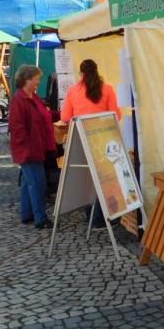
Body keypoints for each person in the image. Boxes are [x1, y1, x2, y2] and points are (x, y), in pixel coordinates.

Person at [60, 59, 121, 228]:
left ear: (81, 73)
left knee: (87, 180)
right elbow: (116, 115)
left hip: (81, 140)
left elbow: (65, 117)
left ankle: (90, 217)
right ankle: (103, 218)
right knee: (104, 179)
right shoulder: (107, 89)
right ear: (97, 71)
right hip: (102, 140)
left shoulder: (73, 91)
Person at [8, 65, 55, 229]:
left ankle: (27, 215)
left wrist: (60, 114)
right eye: (36, 79)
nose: (38, 82)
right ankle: (40, 219)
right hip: (29, 150)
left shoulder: (32, 97)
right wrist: (28, 145)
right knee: (38, 184)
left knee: (30, 183)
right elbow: (17, 127)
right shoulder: (19, 99)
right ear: (27, 80)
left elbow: (45, 115)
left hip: (35, 147)